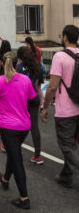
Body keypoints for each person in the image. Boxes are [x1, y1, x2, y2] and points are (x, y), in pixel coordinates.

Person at [0, 52, 39, 210]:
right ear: (17, 63)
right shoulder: (25, 80)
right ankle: (5, 179)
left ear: (1, 63)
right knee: (14, 153)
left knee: (16, 159)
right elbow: (35, 100)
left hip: (7, 127)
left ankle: (24, 198)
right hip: (24, 126)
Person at [41, 25, 79, 190]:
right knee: (72, 145)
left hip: (66, 110)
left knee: (66, 145)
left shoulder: (59, 56)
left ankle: (73, 173)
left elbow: (52, 86)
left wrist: (45, 107)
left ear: (64, 37)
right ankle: (65, 176)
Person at [17, 47, 44, 165]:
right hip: (34, 99)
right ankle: (38, 156)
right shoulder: (38, 66)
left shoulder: (19, 67)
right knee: (34, 126)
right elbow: (38, 86)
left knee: (19, 123)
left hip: (23, 99)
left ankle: (11, 146)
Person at [25, 37, 45, 107]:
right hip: (39, 69)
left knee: (30, 87)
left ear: (27, 43)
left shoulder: (29, 50)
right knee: (38, 87)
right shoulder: (38, 49)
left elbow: (28, 61)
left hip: (32, 70)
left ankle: (31, 101)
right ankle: (42, 103)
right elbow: (41, 59)